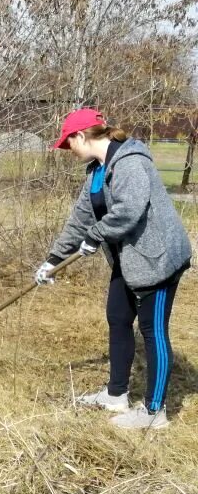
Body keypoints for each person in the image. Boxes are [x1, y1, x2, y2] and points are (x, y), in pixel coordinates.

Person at [34, 108, 191, 430]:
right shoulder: (96, 171)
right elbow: (80, 220)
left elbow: (128, 211)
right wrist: (53, 259)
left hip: (157, 260)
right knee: (118, 319)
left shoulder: (132, 161)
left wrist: (96, 236)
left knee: (152, 331)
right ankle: (116, 394)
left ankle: (154, 413)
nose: (68, 151)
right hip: (128, 259)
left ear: (81, 135)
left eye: (68, 144)